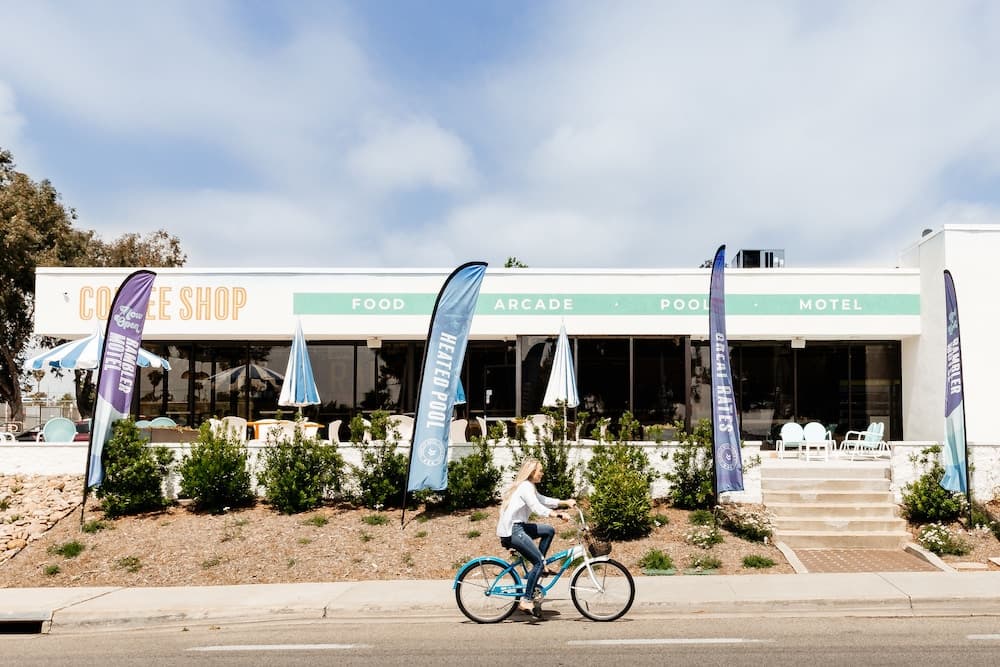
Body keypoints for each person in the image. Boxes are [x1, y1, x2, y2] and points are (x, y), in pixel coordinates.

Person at [496, 457, 576, 615]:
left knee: (548, 530)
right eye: (540, 471)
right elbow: (536, 507)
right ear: (532, 472)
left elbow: (542, 500)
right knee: (538, 562)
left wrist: (565, 502)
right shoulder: (525, 487)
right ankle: (526, 600)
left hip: (519, 527)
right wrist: (557, 514)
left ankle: (540, 567)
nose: (542, 473)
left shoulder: (529, 486)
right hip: (513, 530)